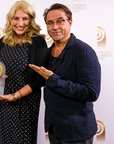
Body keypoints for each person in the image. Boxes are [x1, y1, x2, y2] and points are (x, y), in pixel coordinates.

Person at [29, 3, 101, 144]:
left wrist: (53, 79)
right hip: (55, 129)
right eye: (50, 23)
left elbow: (91, 92)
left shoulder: (83, 51)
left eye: (60, 21)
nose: (55, 27)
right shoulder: (48, 53)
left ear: (70, 22)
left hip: (76, 133)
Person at [0, 1, 48, 143]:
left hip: (26, 103)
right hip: (4, 102)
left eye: (25, 19)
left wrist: (15, 96)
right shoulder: (3, 41)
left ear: (31, 20)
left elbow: (40, 79)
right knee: (5, 139)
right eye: (16, 18)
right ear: (10, 19)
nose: (20, 23)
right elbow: (2, 68)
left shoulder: (38, 42)